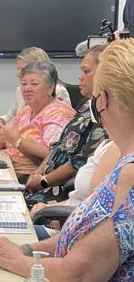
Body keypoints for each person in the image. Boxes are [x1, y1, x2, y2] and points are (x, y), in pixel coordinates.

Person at [0, 39, 134, 282]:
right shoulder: (123, 163)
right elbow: (85, 239)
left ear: (104, 100)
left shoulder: (130, 175)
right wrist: (27, 247)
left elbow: (80, 276)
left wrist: (15, 259)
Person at [24, 45, 107, 205]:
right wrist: (39, 172)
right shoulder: (87, 105)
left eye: (86, 71)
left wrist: (43, 181)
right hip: (41, 187)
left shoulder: (103, 114)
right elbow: (59, 146)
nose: (79, 77)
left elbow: (80, 161)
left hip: (56, 195)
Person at [0, 61, 75, 182]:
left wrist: (16, 141)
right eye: (24, 84)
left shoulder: (58, 113)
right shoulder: (27, 110)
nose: (27, 89)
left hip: (31, 179)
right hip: (8, 168)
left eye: (34, 84)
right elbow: (6, 134)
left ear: (51, 88)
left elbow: (52, 153)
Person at [0, 47, 71, 128]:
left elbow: (60, 128)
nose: (18, 74)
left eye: (23, 69)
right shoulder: (21, 90)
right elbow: (10, 118)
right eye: (18, 69)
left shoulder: (57, 91)